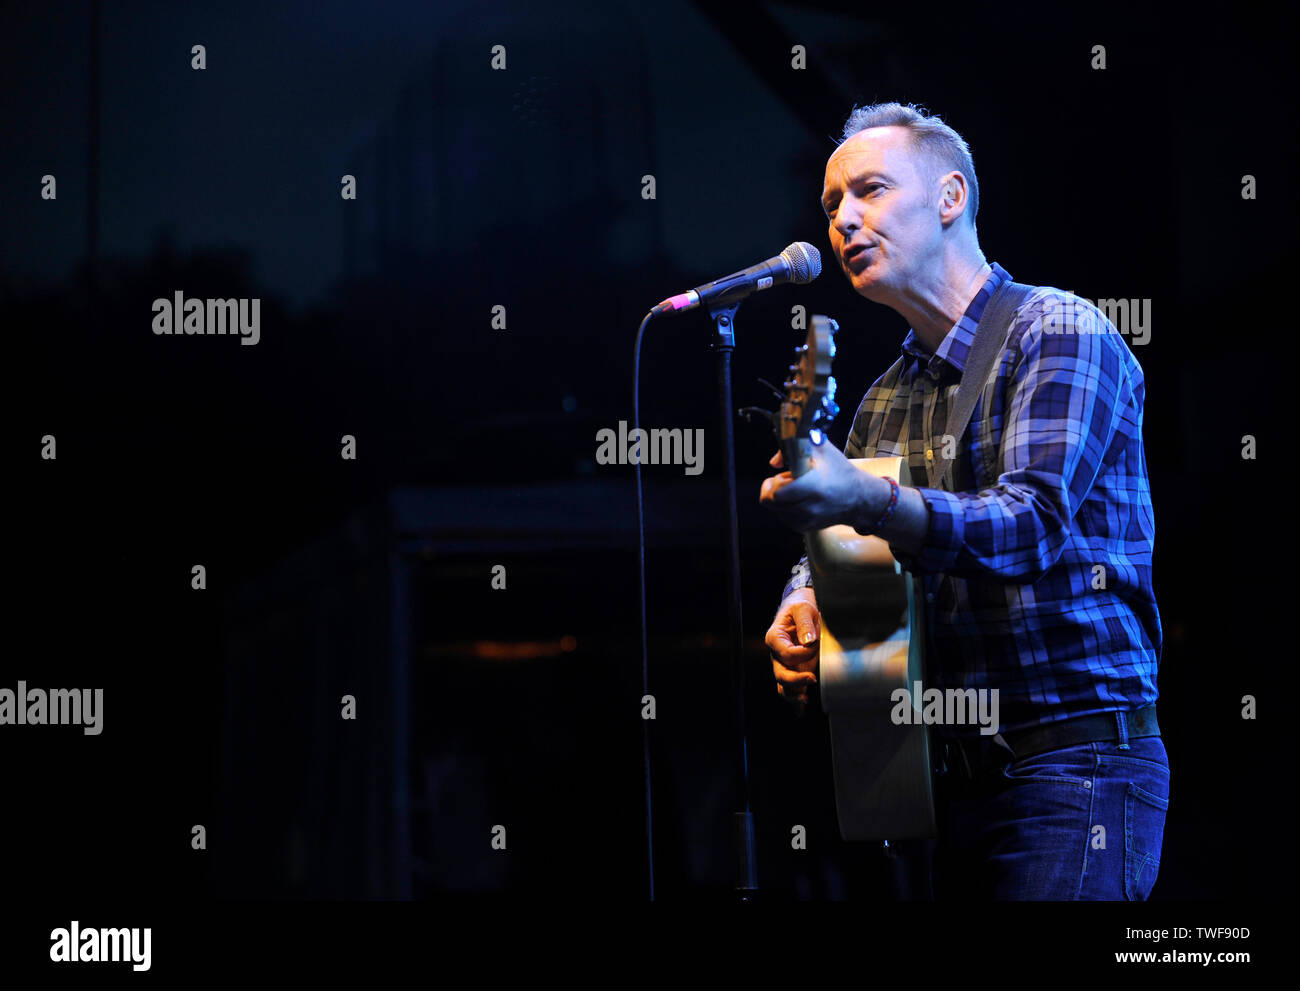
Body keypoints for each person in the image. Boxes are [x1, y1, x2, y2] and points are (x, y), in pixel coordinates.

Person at [760, 102, 1167, 900]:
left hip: (1072, 765)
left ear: (950, 198)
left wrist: (866, 500)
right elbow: (853, 538)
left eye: (869, 190)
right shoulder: (885, 393)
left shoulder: (1059, 330)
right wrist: (803, 599)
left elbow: (1030, 527)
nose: (843, 218)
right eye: (832, 204)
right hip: (945, 784)